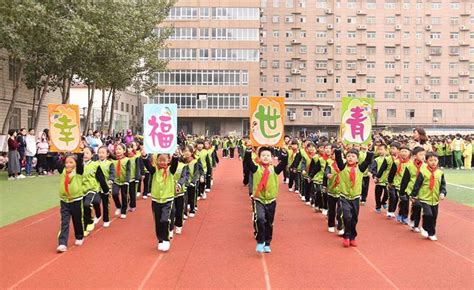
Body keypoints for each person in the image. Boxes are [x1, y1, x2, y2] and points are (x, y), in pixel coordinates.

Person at [244, 146, 288, 253]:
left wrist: (284, 154)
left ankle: (267, 243)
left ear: (272, 157)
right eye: (263, 155)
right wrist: (248, 150)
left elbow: (283, 164)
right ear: (259, 157)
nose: (265, 157)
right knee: (260, 219)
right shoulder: (256, 169)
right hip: (259, 199)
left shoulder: (274, 170)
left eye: (268, 155)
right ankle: (260, 241)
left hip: (271, 200)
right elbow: (248, 161)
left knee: (269, 222)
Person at [334, 143, 374, 247]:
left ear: (357, 159)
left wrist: (369, 150)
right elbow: (338, 159)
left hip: (355, 197)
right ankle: (346, 236)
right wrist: (338, 148)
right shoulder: (343, 167)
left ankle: (353, 237)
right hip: (344, 197)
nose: (350, 158)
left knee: (354, 218)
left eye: (353, 156)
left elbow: (368, 161)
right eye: (348, 156)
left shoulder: (360, 169)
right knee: (347, 217)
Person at [141, 150, 180, 252]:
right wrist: (144, 156)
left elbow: (175, 164)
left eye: (164, 160)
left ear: (168, 160)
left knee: (165, 220)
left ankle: (166, 239)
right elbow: (148, 165)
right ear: (157, 161)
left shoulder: (170, 170)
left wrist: (175, 156)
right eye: (160, 160)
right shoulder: (155, 171)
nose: (162, 162)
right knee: (158, 222)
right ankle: (160, 240)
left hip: (168, 200)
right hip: (156, 200)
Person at [411, 152, 447, 241]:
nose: (433, 162)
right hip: (424, 198)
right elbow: (417, 184)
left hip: (435, 199)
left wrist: (443, 193)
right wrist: (414, 195)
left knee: (434, 217)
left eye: (435, 160)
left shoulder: (440, 173)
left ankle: (430, 231)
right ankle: (428, 230)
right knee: (428, 214)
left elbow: (443, 185)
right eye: (431, 160)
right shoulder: (423, 172)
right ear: (427, 161)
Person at [56, 154, 85, 253]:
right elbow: (57, 162)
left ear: (76, 164)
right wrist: (61, 152)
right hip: (64, 201)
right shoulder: (63, 170)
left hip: (76, 200)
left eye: (71, 162)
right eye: (67, 162)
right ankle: (62, 243)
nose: (68, 165)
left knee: (77, 220)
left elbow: (81, 163)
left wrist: (80, 152)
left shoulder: (78, 172)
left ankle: (79, 236)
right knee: (64, 222)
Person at [81, 147, 108, 236]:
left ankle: (91, 220)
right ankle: (85, 227)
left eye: (87, 153)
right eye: (83, 153)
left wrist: (106, 190)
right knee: (84, 209)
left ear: (92, 155)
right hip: (81, 190)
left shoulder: (95, 165)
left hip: (92, 189)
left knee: (87, 204)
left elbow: (101, 179)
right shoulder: (78, 165)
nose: (85, 154)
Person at [399, 146, 426, 232]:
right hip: (411, 190)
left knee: (421, 208)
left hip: (422, 190)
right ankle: (415, 224)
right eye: (421, 154)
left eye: (424, 155)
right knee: (417, 206)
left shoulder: (426, 166)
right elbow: (405, 180)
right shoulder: (410, 166)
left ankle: (417, 222)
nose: (423, 156)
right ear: (414, 156)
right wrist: (402, 192)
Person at [97, 146, 115, 227]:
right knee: (95, 202)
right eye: (99, 152)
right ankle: (98, 214)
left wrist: (111, 179)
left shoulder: (110, 163)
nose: (101, 154)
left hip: (106, 186)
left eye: (103, 152)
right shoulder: (95, 163)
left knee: (105, 203)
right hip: (96, 186)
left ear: (107, 154)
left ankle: (106, 219)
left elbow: (112, 173)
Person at [111, 144, 131, 219]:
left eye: (120, 149)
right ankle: (118, 206)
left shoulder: (127, 160)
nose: (118, 150)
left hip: (124, 181)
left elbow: (128, 171)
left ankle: (123, 211)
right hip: (116, 180)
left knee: (124, 196)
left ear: (124, 151)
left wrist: (127, 180)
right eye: (117, 149)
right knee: (114, 193)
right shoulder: (113, 159)